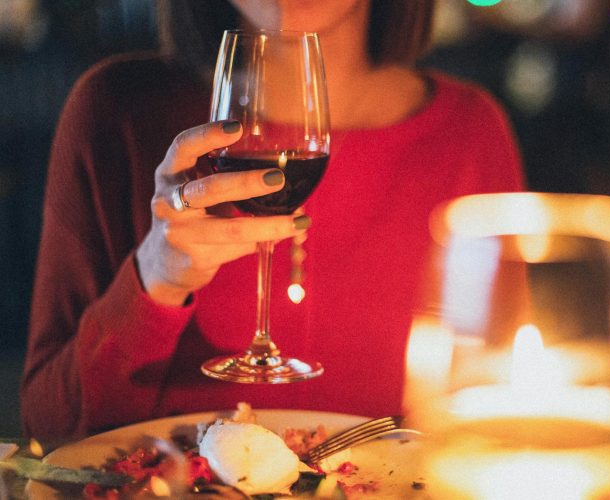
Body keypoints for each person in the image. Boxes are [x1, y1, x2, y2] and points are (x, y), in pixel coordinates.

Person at [21, 0, 525, 439]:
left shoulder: (470, 135)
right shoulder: (115, 111)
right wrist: (154, 280)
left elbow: (498, 420)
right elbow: (48, 431)